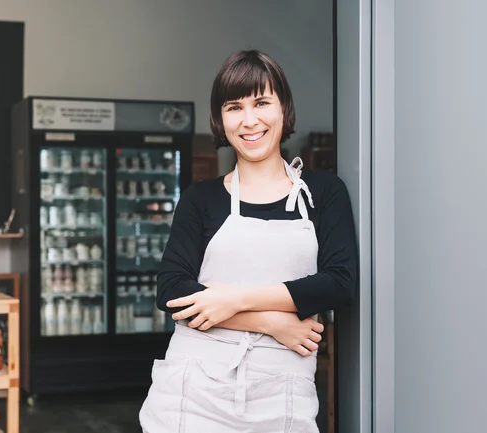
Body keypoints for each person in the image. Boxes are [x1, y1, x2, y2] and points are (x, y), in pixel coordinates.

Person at [139, 49, 358, 432]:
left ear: (284, 108)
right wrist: (272, 323)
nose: (249, 120)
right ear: (220, 120)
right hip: (192, 394)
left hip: (282, 395)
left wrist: (233, 299)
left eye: (261, 102)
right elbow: (172, 291)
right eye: (234, 107)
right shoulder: (200, 199)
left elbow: (339, 283)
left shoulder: (323, 192)